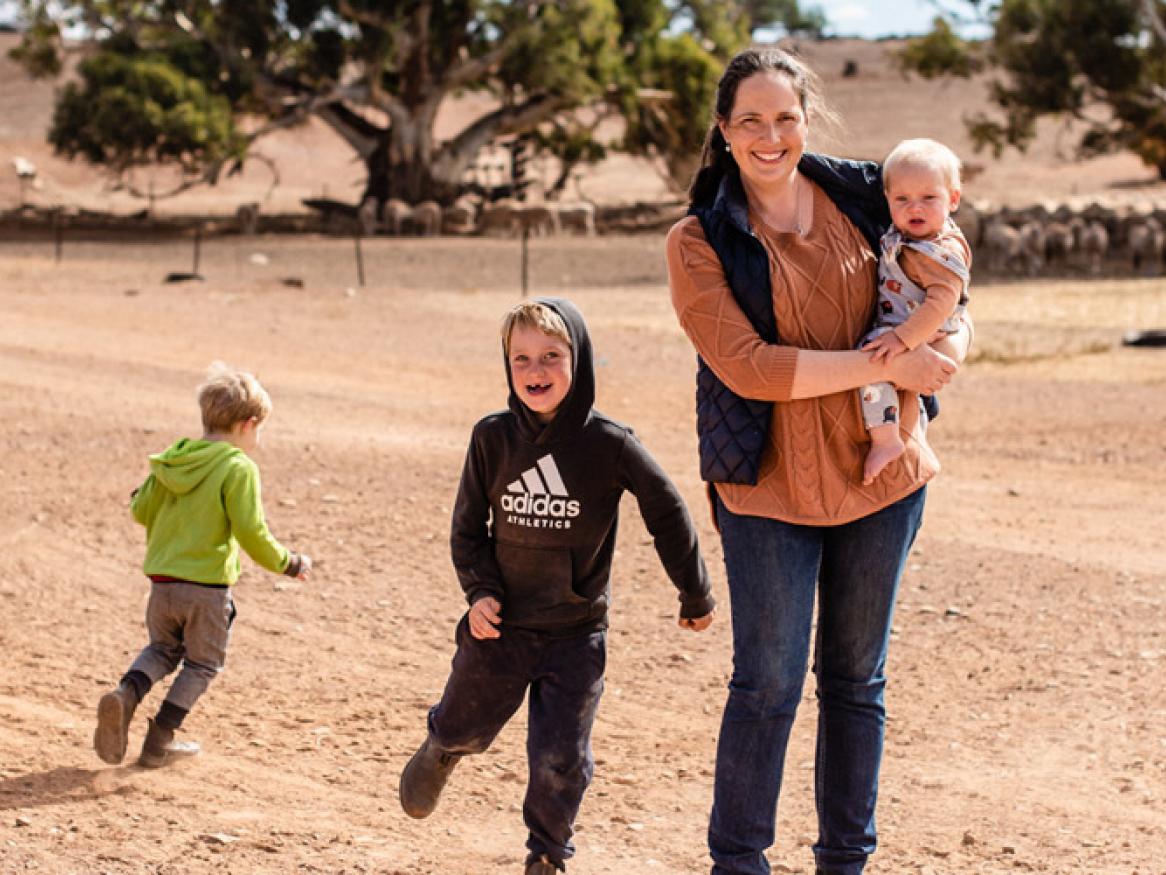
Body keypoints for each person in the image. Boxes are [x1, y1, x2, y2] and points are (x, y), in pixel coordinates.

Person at [664, 48, 974, 875]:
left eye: (787, 117)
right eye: (752, 120)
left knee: (855, 681)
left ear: (808, 121)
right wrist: (886, 364)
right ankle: (739, 862)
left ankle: (846, 861)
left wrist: (941, 349)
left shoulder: (863, 194)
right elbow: (749, 366)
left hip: (883, 473)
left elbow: (949, 269)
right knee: (766, 684)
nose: (772, 135)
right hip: (768, 485)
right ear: (724, 132)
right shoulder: (698, 240)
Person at [399, 298, 716, 875]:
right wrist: (479, 592)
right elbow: (467, 530)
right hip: (501, 629)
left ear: (581, 359)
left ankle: (546, 854)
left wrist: (693, 592)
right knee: (465, 728)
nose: (535, 371)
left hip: (576, 633)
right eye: (520, 359)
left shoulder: (610, 443)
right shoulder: (491, 438)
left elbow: (666, 508)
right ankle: (442, 747)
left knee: (560, 759)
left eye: (551, 356)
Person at [93, 362, 311, 769]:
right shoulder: (238, 467)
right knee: (203, 663)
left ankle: (126, 694)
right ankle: (159, 741)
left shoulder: (172, 460)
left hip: (162, 585)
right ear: (248, 424)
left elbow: (140, 510)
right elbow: (252, 533)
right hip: (206, 590)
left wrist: (144, 493)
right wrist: (289, 563)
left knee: (161, 649)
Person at [858, 138, 971, 485]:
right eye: (902, 199)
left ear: (953, 199)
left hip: (924, 327)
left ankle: (887, 440)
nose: (914, 208)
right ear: (887, 201)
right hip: (912, 324)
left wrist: (902, 338)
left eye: (928, 198)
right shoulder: (908, 240)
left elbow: (942, 303)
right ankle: (908, 431)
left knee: (871, 358)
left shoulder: (940, 252)